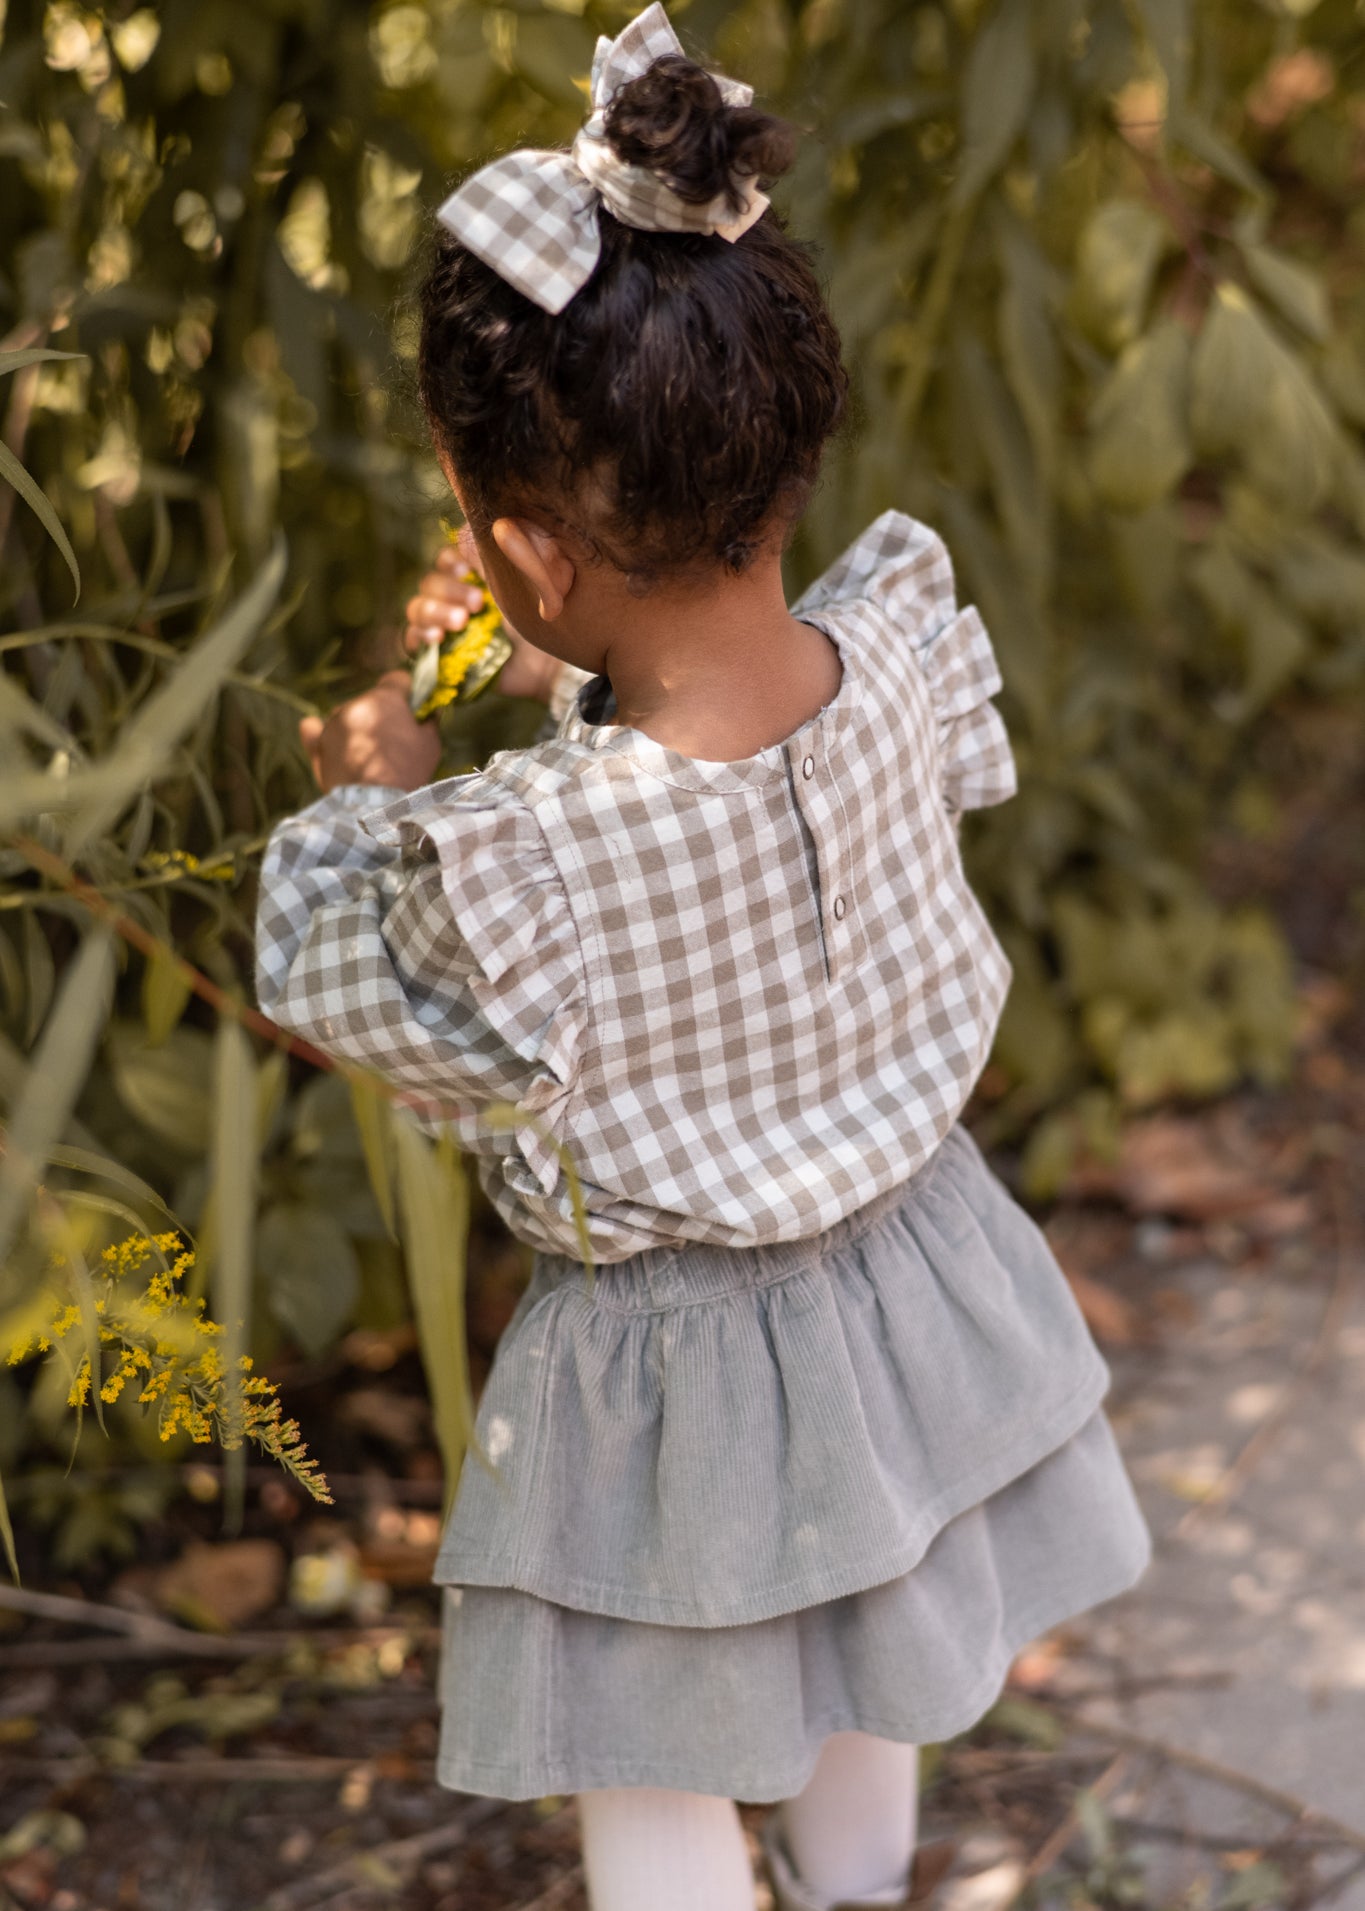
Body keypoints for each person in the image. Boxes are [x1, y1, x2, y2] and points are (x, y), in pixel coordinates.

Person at [255, 9, 1151, 1906]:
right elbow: (724, 758)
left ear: (524, 550)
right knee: (865, 1661)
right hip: (906, 1283)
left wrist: (376, 772)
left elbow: (328, 1002)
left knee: (654, 1756)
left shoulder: (520, 860)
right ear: (783, 452)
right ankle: (855, 1893)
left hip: (666, 1377)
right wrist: (568, 653)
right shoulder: (899, 652)